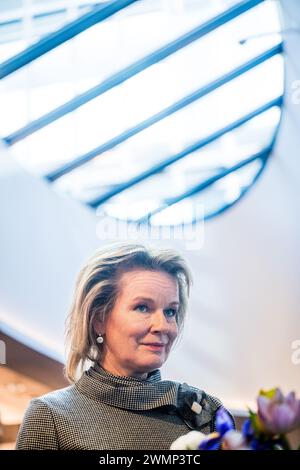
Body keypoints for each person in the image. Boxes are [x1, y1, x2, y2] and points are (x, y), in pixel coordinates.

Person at [16, 242, 233, 450]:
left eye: (170, 311)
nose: (163, 326)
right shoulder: (50, 417)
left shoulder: (205, 412)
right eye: (142, 308)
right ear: (98, 319)